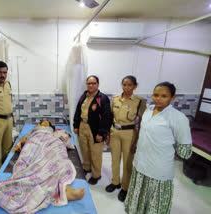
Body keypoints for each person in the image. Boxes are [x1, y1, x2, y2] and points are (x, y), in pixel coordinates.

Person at [0, 120, 85, 213]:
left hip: (50, 141)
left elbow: (65, 138)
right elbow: (23, 140)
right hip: (35, 141)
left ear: (51, 127)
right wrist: (18, 144)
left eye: (47, 123)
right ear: (39, 124)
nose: (45, 122)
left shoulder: (53, 132)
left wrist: (64, 135)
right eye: (43, 122)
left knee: (57, 160)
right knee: (31, 160)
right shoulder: (34, 130)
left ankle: (65, 190)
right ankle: (62, 192)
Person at [125, 82, 192, 214]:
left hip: (158, 169)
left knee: (154, 204)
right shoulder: (148, 110)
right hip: (141, 164)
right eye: (156, 95)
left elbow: (185, 151)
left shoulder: (178, 118)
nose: (158, 98)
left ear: (172, 97)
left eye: (164, 96)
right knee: (138, 196)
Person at [105, 76, 147, 202]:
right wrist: (108, 134)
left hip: (129, 133)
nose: (126, 87)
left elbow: (142, 122)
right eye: (124, 84)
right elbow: (110, 117)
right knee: (114, 160)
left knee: (127, 162)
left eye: (129, 85)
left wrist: (137, 140)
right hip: (115, 132)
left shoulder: (139, 101)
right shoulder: (115, 99)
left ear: (135, 86)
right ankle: (115, 182)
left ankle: (125, 187)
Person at [73, 75, 113, 185]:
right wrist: (76, 125)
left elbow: (106, 117)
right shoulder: (83, 96)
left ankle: (96, 175)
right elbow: (78, 111)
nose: (90, 85)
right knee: (85, 150)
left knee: (95, 153)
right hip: (82, 126)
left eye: (93, 83)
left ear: (98, 84)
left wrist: (102, 133)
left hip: (95, 129)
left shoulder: (102, 98)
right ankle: (87, 168)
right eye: (89, 83)